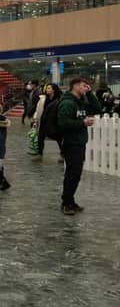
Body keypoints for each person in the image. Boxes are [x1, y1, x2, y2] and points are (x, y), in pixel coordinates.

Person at [57, 77, 101, 215]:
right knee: (72, 174)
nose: (86, 88)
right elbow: (63, 124)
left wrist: (89, 93)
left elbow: (97, 109)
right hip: (71, 143)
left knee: (75, 174)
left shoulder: (79, 103)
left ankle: (70, 201)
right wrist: (82, 123)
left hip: (79, 142)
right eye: (84, 86)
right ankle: (66, 203)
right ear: (75, 86)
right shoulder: (68, 103)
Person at [31, 83, 63, 162]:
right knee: (40, 137)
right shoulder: (43, 98)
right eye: (47, 88)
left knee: (58, 137)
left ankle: (63, 154)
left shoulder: (59, 99)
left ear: (54, 90)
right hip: (44, 120)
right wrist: (35, 119)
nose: (47, 90)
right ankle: (39, 154)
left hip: (54, 122)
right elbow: (38, 110)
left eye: (49, 88)